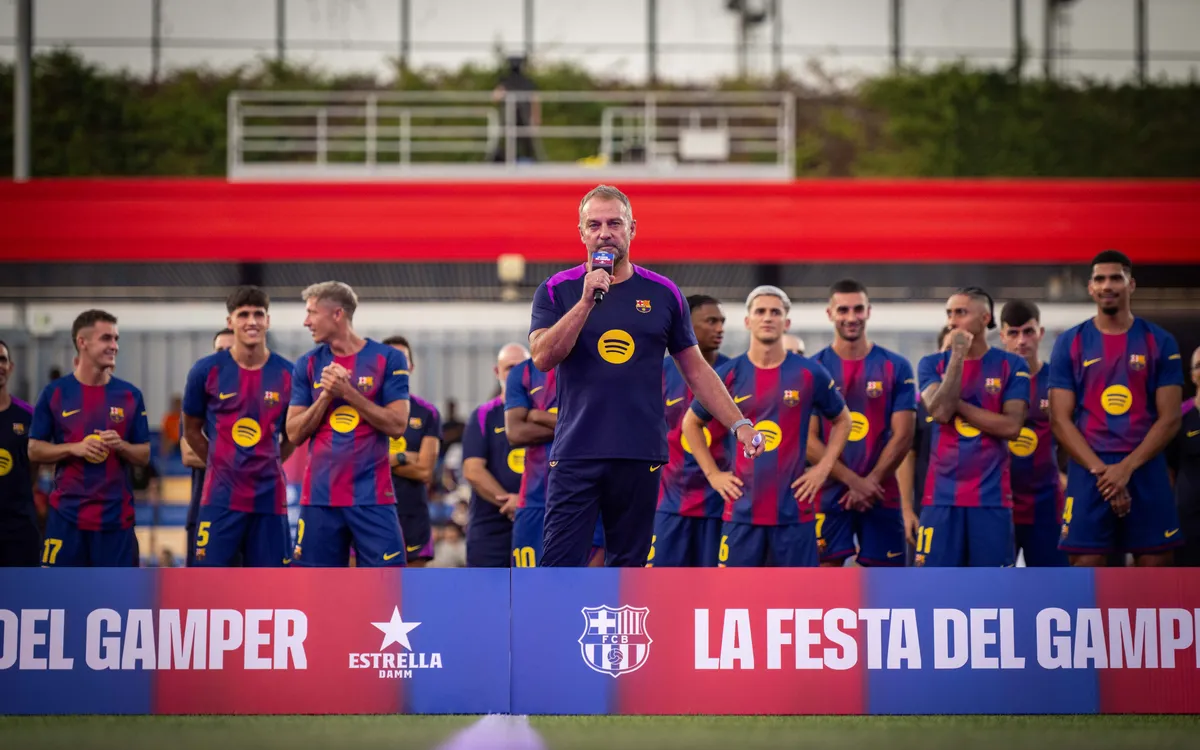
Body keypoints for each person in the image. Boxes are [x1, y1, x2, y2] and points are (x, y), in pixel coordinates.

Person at [528, 184, 765, 567]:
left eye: (614, 223)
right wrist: (586, 302)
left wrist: (739, 424)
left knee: (629, 569)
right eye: (594, 225)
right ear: (581, 232)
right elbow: (542, 357)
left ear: (632, 228)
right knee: (559, 567)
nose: (604, 233)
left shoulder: (663, 293)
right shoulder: (558, 290)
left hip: (640, 453)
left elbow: (696, 369)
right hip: (576, 451)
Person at [684, 286, 851, 567]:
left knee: (797, 593)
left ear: (786, 322)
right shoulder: (728, 374)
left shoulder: (810, 372)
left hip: (795, 513)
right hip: (741, 512)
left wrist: (823, 469)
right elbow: (692, 423)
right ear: (748, 321)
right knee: (737, 593)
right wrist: (713, 475)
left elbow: (843, 420)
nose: (768, 317)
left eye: (775, 312)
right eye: (760, 311)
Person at [1049, 250, 1183, 567]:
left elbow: (1170, 418)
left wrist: (1126, 468)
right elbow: (1059, 419)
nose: (1107, 285)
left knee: (1156, 564)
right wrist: (1104, 472)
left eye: (1115, 278)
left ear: (1131, 284)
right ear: (1090, 287)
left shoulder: (1159, 341)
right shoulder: (1070, 342)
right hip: (1089, 468)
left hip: (1145, 465)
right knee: (1086, 563)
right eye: (1100, 279)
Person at [285, 282, 411, 567]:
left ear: (337, 314)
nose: (306, 322)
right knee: (316, 586)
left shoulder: (388, 359)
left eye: (312, 313)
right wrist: (326, 396)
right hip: (320, 498)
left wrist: (348, 393)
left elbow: (397, 425)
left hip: (372, 497)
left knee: (389, 581)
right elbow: (293, 433)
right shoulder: (307, 364)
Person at [28, 310, 150, 567]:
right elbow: (34, 450)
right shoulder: (54, 393)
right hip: (66, 518)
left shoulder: (130, 395)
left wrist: (121, 445)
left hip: (116, 521)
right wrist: (75, 448)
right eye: (106, 338)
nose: (114, 346)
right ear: (82, 342)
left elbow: (144, 455)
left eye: (116, 339)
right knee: (61, 591)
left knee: (116, 593)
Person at [916, 287, 1029, 567]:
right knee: (935, 585)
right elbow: (940, 412)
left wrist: (956, 404)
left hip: (991, 498)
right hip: (941, 498)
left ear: (985, 318)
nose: (952, 321)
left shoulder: (1012, 365)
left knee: (990, 586)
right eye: (949, 314)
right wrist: (957, 356)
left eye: (961, 313)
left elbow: (1011, 427)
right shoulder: (931, 364)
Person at [182, 287, 294, 567]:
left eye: (258, 314)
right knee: (210, 583)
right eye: (243, 314)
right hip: (220, 498)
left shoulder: (288, 373)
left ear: (268, 320)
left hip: (269, 499)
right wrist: (218, 462)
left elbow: (293, 433)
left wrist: (271, 460)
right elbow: (191, 429)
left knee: (271, 585)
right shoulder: (205, 371)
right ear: (230, 321)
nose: (251, 321)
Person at [810, 279, 916, 567]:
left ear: (869, 311)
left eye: (858, 309)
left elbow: (904, 435)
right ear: (830, 313)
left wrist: (871, 482)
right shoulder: (813, 369)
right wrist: (855, 482)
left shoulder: (896, 366)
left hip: (882, 493)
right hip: (829, 494)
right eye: (843, 310)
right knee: (824, 578)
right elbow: (808, 441)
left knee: (887, 584)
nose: (851, 317)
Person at [506, 350, 607, 569]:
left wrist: (538, 416)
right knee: (530, 585)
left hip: (587, 498)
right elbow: (515, 433)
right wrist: (575, 425)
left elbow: (600, 425)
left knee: (588, 583)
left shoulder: (598, 365)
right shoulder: (523, 372)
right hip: (534, 500)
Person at [650, 294, 731, 567]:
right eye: (711, 321)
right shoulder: (657, 372)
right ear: (687, 325)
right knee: (663, 586)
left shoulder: (734, 372)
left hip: (720, 504)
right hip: (669, 503)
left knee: (715, 588)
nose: (719, 328)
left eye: (721, 322)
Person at [999, 300, 1069, 567]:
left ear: (1040, 333)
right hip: (999, 503)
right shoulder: (992, 382)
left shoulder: (1056, 381)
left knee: (1051, 585)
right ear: (1002, 335)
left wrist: (1065, 473)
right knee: (995, 586)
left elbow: (1072, 435)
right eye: (1013, 333)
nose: (1021, 341)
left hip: (1046, 504)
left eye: (1028, 332)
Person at [464, 344, 529, 567]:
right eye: (510, 367)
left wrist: (527, 502)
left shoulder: (544, 414)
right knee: (488, 590)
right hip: (490, 529)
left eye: (522, 367)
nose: (516, 373)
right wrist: (511, 502)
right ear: (497, 371)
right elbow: (473, 470)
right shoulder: (483, 415)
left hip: (537, 523)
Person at [382, 335, 442, 567]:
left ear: (412, 367)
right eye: (390, 358)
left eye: (402, 359)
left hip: (413, 516)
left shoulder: (427, 413)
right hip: (370, 512)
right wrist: (404, 457)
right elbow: (359, 464)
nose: (396, 364)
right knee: (364, 585)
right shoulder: (365, 409)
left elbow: (425, 471)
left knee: (412, 587)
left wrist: (383, 462)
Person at [181, 328, 234, 566]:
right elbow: (188, 454)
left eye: (229, 350)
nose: (224, 356)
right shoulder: (199, 397)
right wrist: (240, 459)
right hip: (203, 510)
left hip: (249, 513)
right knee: (202, 585)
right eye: (219, 350)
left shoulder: (258, 401)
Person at [900, 326, 951, 565]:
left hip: (975, 510)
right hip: (927, 512)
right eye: (949, 349)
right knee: (927, 579)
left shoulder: (988, 402)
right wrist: (906, 509)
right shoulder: (920, 405)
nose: (956, 357)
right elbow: (907, 456)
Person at [0, 340, 39, 566]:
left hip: (20, 528)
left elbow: (33, 467)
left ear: (10, 367)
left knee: (23, 588)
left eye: (2, 360)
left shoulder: (28, 416)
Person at [1166, 346, 1200, 566]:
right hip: (1189, 521)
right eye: (1199, 366)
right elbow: (1167, 470)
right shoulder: (1179, 417)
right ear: (1193, 375)